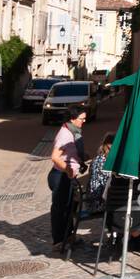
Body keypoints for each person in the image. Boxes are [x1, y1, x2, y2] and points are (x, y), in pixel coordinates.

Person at [48, 105, 88, 254]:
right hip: (60, 176)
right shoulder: (64, 134)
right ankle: (58, 241)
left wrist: (82, 158)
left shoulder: (74, 132)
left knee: (70, 207)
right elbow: (55, 157)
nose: (84, 121)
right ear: (72, 118)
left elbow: (71, 152)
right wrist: (68, 169)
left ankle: (69, 237)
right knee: (60, 209)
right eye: (81, 119)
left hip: (67, 176)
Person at [82, 133, 115, 215]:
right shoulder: (107, 163)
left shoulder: (97, 159)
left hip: (91, 201)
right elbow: (109, 183)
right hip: (98, 203)